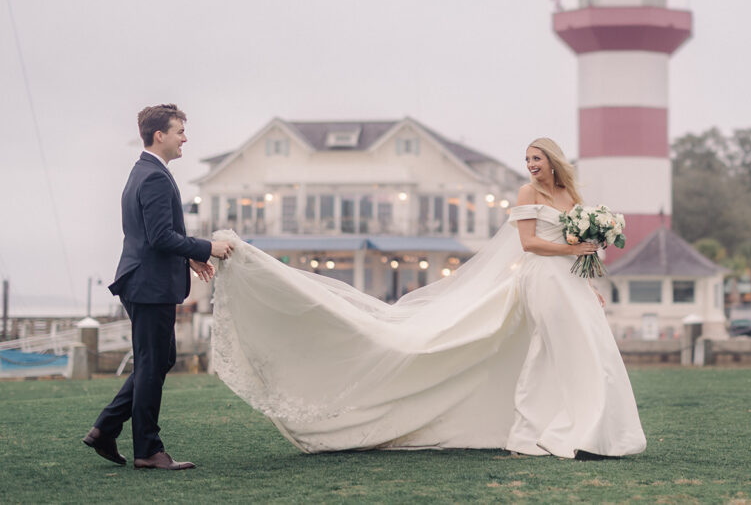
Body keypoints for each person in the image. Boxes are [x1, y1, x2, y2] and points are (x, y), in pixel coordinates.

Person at [211, 137, 646, 458]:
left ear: (553, 161)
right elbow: (530, 243)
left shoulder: (572, 197)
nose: (531, 166)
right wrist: (574, 250)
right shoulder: (527, 194)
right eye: (527, 160)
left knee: (591, 348)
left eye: (537, 158)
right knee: (552, 350)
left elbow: (577, 246)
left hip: (569, 281)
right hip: (543, 280)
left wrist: (586, 278)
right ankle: (538, 431)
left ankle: (596, 429)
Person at [83, 104, 233, 470]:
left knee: (159, 359)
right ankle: (147, 450)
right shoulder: (152, 176)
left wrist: (188, 257)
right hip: (148, 285)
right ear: (159, 135)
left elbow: (158, 236)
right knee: (152, 364)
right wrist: (206, 248)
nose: (186, 137)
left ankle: (105, 428)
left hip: (147, 281)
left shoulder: (147, 172)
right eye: (180, 131)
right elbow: (159, 236)